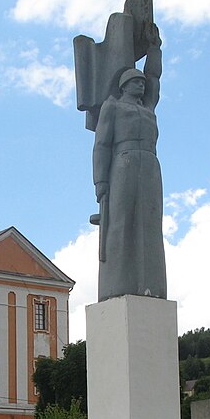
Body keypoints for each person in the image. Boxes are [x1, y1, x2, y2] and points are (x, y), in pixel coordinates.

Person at [91, 25, 166, 302]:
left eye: (142, 82)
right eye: (136, 81)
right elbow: (101, 144)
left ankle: (151, 283)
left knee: (150, 223)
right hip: (122, 162)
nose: (142, 84)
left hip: (150, 163)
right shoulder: (113, 106)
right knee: (121, 221)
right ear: (124, 85)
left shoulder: (148, 107)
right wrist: (101, 181)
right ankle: (118, 282)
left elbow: (154, 76)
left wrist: (154, 50)